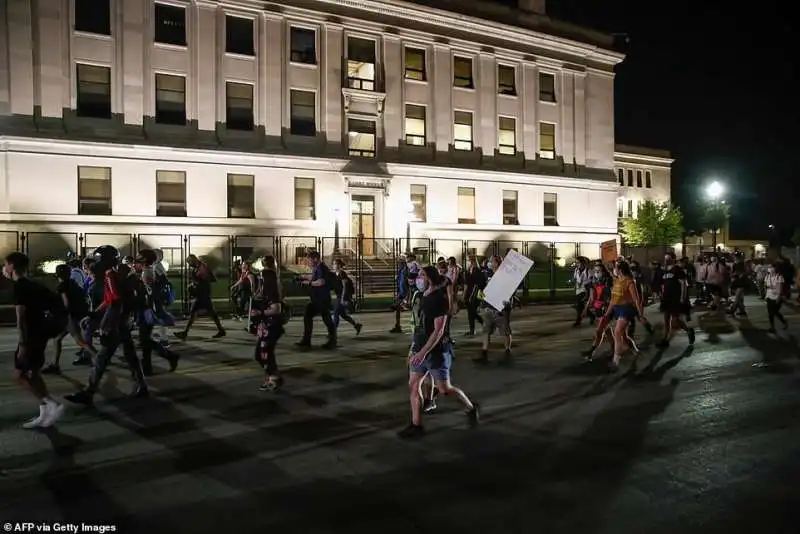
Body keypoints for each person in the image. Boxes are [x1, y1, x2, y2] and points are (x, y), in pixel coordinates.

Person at [398, 265, 479, 439]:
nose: (418, 279)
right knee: (413, 385)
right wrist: (413, 349)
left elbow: (438, 331)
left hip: (436, 352)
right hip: (419, 350)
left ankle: (471, 408)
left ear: (430, 278)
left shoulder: (439, 299)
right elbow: (419, 327)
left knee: (444, 389)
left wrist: (423, 353)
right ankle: (416, 424)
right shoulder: (421, 297)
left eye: (422, 275)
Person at [65, 245, 148, 405]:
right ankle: (141, 385)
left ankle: (89, 392)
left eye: (97, 259)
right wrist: (93, 314)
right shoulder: (112, 275)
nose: (94, 263)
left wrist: (106, 325)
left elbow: (115, 302)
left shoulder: (110, 277)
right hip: (121, 323)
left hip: (116, 324)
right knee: (129, 356)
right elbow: (110, 300)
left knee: (103, 359)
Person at [3, 252, 66, 428]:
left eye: (5, 264)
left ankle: (51, 403)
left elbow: (21, 317)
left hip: (30, 337)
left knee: (19, 375)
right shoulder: (34, 285)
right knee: (34, 374)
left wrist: (22, 344)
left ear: (12, 267)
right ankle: (44, 414)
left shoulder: (20, 287)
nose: (4, 268)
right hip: (41, 334)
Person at [42, 263, 96, 374]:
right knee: (57, 339)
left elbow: (66, 303)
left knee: (80, 341)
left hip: (71, 317)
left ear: (57, 274)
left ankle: (100, 359)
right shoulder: (73, 283)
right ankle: (55, 365)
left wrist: (56, 313)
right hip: (76, 315)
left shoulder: (62, 286)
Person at [135, 249, 178, 375]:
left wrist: (155, 310)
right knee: (145, 339)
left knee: (144, 339)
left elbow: (151, 292)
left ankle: (168, 356)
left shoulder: (147, 272)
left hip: (148, 309)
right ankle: (147, 367)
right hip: (147, 308)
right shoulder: (149, 270)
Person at [250, 256, 286, 390]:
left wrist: (260, 313)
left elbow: (276, 309)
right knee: (260, 354)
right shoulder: (267, 281)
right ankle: (273, 377)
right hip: (265, 324)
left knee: (264, 353)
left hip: (272, 324)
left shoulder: (270, 283)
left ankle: (274, 379)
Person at [175, 254, 226, 340]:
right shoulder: (198, 267)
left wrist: (196, 281)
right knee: (210, 312)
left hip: (203, 294)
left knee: (195, 312)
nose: (189, 265)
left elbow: (206, 278)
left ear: (193, 260)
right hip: (202, 293)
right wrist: (193, 283)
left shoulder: (202, 267)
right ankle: (221, 330)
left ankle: (185, 333)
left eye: (189, 263)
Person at [474, 255, 513, 366]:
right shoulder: (487, 274)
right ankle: (484, 352)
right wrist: (480, 303)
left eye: (491, 261)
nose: (489, 263)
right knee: (486, 330)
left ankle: (507, 351)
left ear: (498, 262)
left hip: (500, 308)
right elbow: (483, 289)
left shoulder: (506, 275)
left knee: (505, 331)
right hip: (487, 306)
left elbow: (511, 289)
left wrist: (508, 301)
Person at [605, 260, 643, 371]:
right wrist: (607, 313)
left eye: (616, 268)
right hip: (617, 309)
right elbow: (613, 300)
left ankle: (615, 361)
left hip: (626, 309)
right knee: (623, 335)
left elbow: (636, 299)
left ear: (620, 270)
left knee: (617, 332)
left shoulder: (630, 282)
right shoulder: (617, 281)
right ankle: (635, 350)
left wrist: (640, 315)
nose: (614, 270)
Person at [296, 251, 337, 349]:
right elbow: (315, 279)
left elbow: (321, 282)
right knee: (326, 318)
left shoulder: (321, 268)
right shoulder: (319, 268)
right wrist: (303, 278)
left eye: (309, 260)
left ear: (315, 259)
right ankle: (332, 340)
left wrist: (309, 283)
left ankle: (307, 340)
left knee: (309, 313)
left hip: (321, 299)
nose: (308, 262)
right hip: (321, 299)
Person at [656, 252, 696, 348]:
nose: (666, 260)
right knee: (666, 319)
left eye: (668, 258)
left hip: (675, 298)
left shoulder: (678, 270)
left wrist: (682, 298)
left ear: (673, 259)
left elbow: (683, 284)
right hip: (666, 298)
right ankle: (665, 340)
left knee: (675, 320)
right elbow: (663, 284)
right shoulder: (665, 271)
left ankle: (688, 331)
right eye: (665, 258)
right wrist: (661, 293)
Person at [331, 259, 363, 334]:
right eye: (333, 264)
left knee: (336, 313)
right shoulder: (336, 274)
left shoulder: (342, 273)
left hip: (342, 296)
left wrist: (343, 298)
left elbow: (345, 286)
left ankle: (333, 332)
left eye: (335, 264)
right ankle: (356, 325)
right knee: (343, 315)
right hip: (339, 295)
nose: (333, 265)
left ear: (339, 265)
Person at [764, 263, 788, 333]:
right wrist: (766, 295)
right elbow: (766, 286)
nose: (770, 269)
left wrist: (779, 297)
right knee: (770, 313)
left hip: (777, 297)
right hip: (769, 296)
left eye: (771, 267)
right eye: (769, 267)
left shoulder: (779, 277)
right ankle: (772, 327)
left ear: (775, 268)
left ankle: (784, 321)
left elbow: (780, 288)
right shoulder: (767, 276)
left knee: (775, 312)